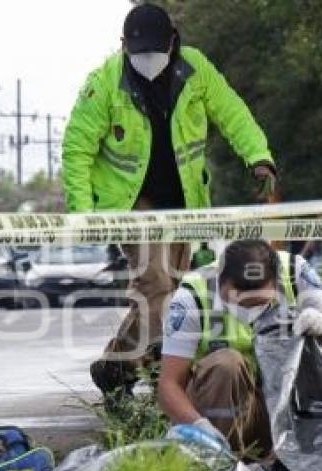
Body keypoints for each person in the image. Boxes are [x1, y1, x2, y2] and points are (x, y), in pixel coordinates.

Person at [61, 4, 278, 397]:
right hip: (131, 204)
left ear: (173, 42)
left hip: (183, 201)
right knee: (156, 283)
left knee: (170, 292)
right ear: (123, 45)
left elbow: (233, 114)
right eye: (138, 53)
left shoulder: (195, 70)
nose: (148, 62)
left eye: (155, 53)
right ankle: (168, 375)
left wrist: (258, 157)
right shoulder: (104, 82)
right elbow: (77, 148)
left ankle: (116, 366)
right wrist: (82, 213)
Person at [157, 240, 322, 456]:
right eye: (241, 304)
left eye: (259, 302)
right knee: (226, 363)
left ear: (275, 281)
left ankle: (303, 453)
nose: (250, 312)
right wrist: (198, 425)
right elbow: (169, 385)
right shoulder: (192, 296)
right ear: (220, 280)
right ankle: (224, 462)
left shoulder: (294, 272)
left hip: (286, 407)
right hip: (225, 412)